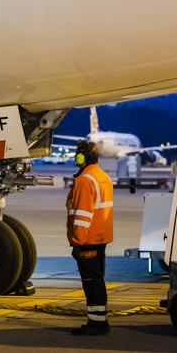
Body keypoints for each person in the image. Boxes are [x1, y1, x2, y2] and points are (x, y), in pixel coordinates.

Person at [66, 139, 114, 335]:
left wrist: (77, 242)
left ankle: (97, 325)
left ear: (81, 157)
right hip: (100, 237)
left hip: (88, 240)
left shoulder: (86, 180)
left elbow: (83, 216)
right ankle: (97, 321)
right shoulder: (101, 176)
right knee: (96, 279)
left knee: (91, 282)